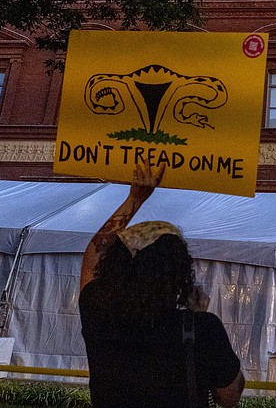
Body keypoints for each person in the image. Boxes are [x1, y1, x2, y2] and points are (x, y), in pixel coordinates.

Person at [79, 162, 245, 408]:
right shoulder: (202, 329)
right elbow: (229, 397)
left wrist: (135, 198)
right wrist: (197, 317)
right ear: (178, 273)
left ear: (116, 265)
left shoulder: (97, 312)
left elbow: (93, 256)